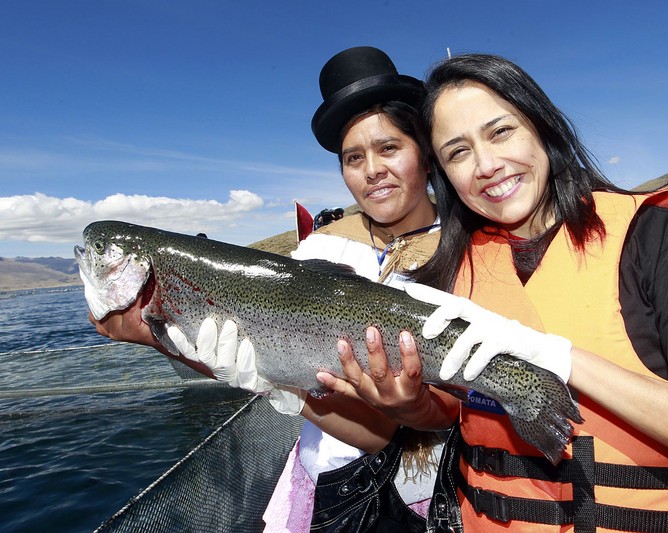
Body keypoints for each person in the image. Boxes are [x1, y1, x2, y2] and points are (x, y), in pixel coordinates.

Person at [320, 53, 668, 532]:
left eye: (501, 131)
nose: (486, 165)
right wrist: (409, 405)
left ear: (542, 127)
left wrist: (563, 360)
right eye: (458, 152)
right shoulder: (454, 268)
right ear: (442, 172)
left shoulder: (654, 239)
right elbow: (450, 410)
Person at [90, 45, 452, 532]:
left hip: (428, 496)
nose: (371, 171)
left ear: (425, 155)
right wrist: (153, 335)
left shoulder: (469, 255)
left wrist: (276, 384)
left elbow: (387, 431)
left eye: (389, 148)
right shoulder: (316, 254)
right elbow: (237, 354)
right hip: (321, 479)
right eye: (353, 158)